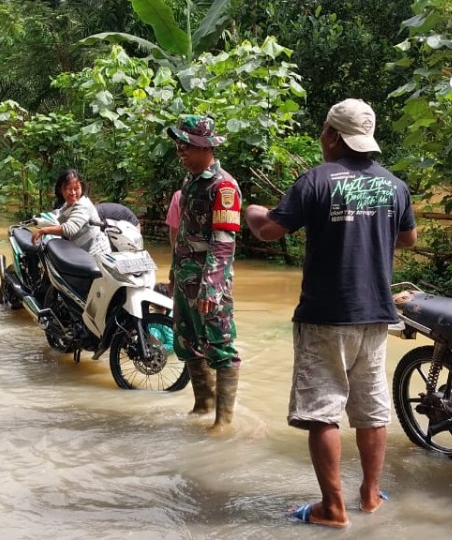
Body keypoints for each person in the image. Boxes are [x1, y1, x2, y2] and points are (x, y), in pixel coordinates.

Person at [245, 99, 417, 528]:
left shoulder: (316, 181)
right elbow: (408, 239)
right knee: (371, 410)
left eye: (324, 132)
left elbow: (268, 231)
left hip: (325, 314)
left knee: (323, 411)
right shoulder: (395, 186)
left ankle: (333, 509)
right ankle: (371, 496)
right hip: (376, 314)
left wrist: (251, 212)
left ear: (333, 137)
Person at [166, 115, 242, 434]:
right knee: (186, 341)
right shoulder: (190, 183)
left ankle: (223, 421)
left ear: (204, 146)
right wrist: (173, 273)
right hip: (185, 279)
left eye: (187, 144)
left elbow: (223, 242)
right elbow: (183, 234)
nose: (180, 149)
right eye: (179, 144)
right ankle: (203, 405)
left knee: (220, 347)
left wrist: (210, 288)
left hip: (210, 283)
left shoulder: (223, 186)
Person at [32, 169, 111, 256]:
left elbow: (69, 229)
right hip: (82, 250)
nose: (73, 193)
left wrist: (43, 231)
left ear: (82, 187)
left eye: (76, 188)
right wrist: (39, 217)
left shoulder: (83, 204)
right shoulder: (69, 203)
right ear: (60, 190)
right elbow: (58, 213)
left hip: (96, 254)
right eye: (69, 189)